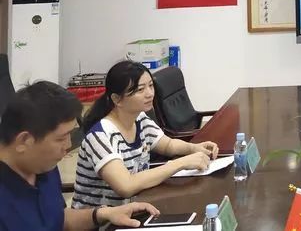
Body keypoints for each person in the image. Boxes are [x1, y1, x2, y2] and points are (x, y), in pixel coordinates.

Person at [0, 81, 159, 230]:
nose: (68, 145)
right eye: (61, 138)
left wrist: (103, 214)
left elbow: (60, 219)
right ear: (24, 140)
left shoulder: (42, 165)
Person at [73, 60, 218, 208]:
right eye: (140, 90)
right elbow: (126, 186)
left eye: (151, 85)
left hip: (137, 206)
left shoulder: (140, 119)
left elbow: (168, 145)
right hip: (103, 219)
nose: (150, 94)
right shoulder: (100, 135)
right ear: (117, 99)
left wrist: (195, 148)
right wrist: (180, 163)